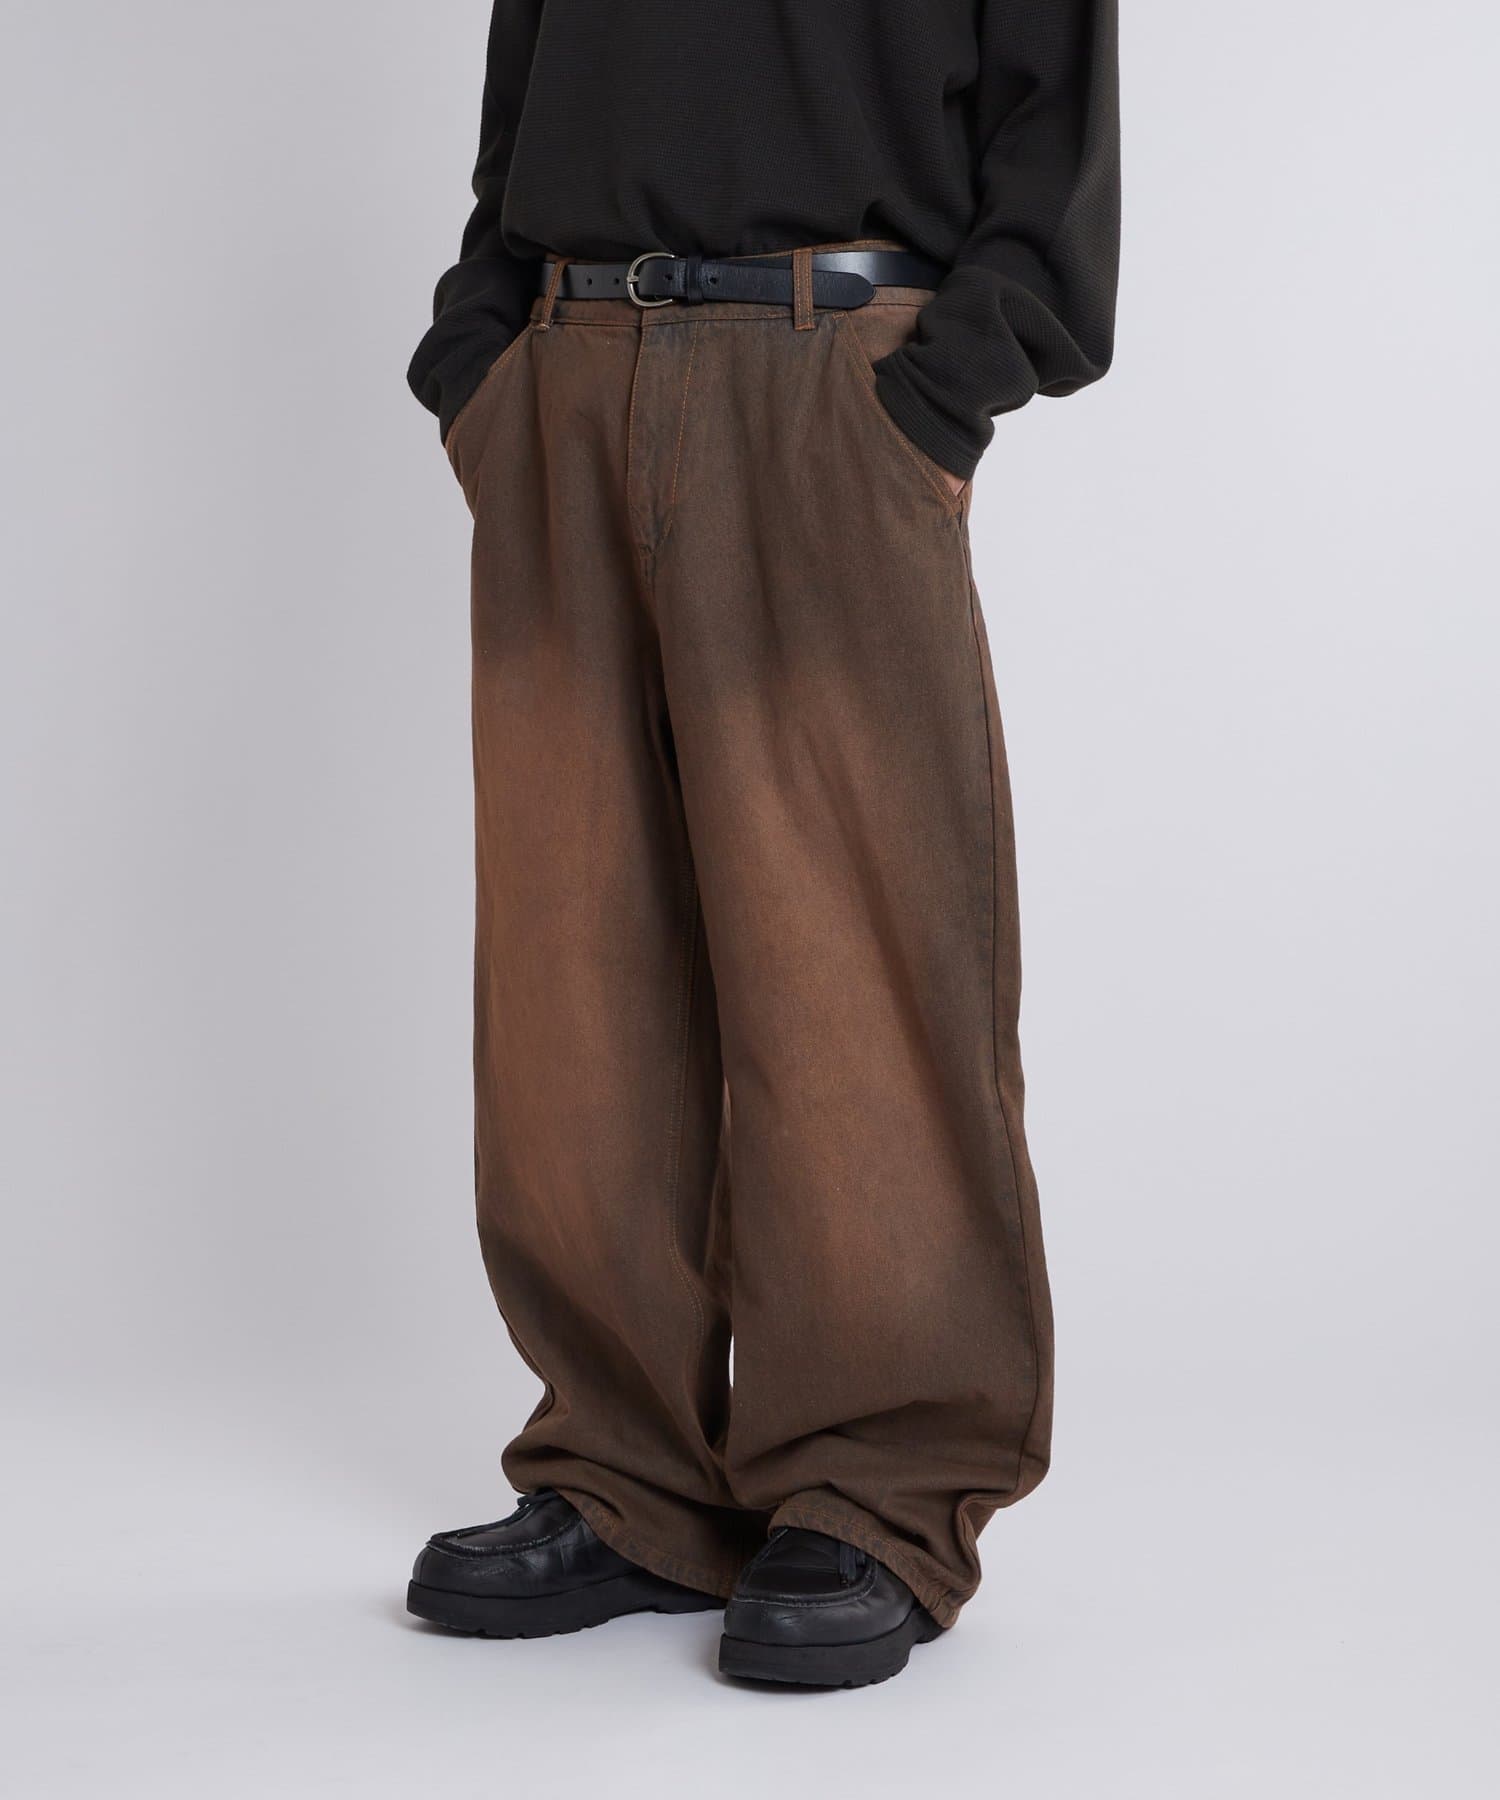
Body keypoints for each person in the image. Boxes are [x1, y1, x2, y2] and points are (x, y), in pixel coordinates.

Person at [404, 0, 1118, 1689]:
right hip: (570, 369)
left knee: (850, 965)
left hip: (833, 380)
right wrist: (483, 358)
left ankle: (876, 1485)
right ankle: (625, 1474)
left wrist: (932, 395)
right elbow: (526, 97)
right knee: (573, 973)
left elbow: (1055, 134)